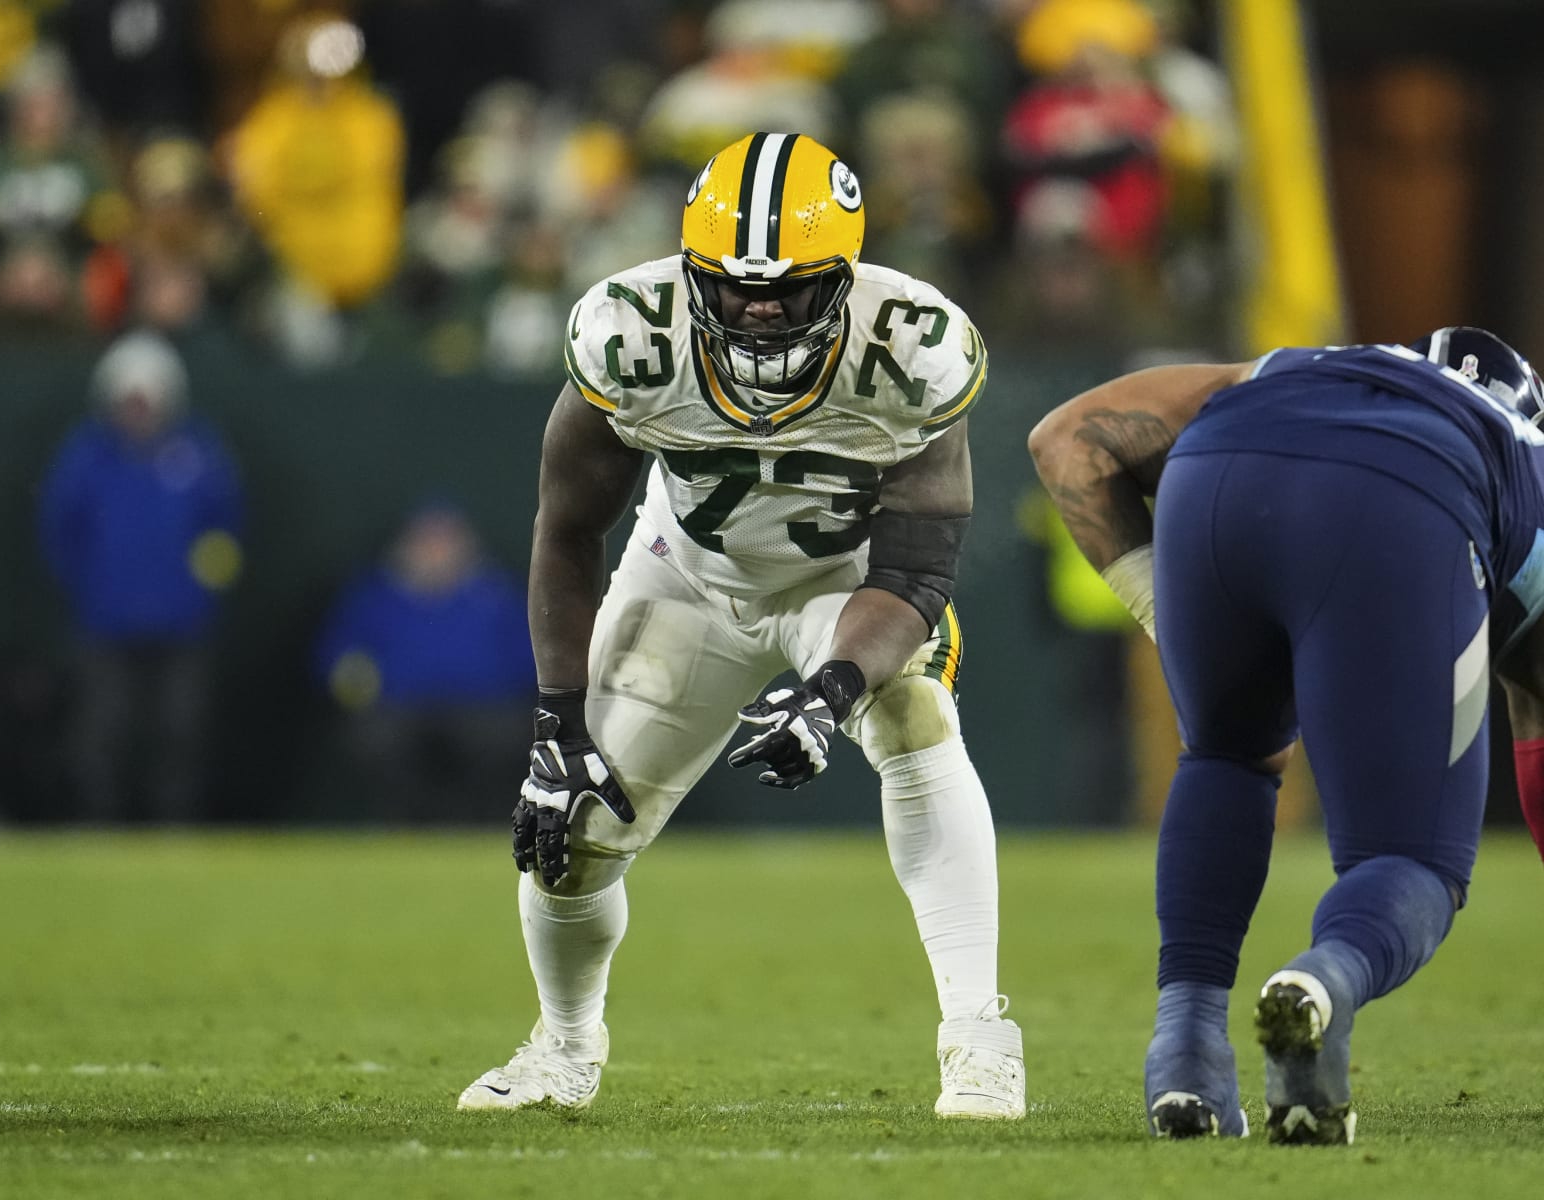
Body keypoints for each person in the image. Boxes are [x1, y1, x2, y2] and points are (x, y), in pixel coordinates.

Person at [458, 131, 1024, 1119]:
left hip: (848, 585)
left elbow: (917, 569)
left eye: (789, 287)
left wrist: (830, 691)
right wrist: (556, 719)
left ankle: (980, 1039)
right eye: (732, 284)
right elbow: (568, 529)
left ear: (842, 277)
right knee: (571, 824)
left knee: (913, 719)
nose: (759, 308)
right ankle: (563, 1045)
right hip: (685, 578)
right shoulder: (632, 334)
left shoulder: (913, 346)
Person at [1027, 327, 1544, 1145]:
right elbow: (1534, 702)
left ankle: (1186, 1054)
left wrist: (1165, 610)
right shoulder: (1522, 452)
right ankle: (1319, 984)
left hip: (1215, 475)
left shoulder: (1302, 365)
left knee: (1227, 755)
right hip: (1404, 497)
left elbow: (1065, 442)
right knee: (1414, 858)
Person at [39, 330, 244, 823]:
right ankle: (99, 828)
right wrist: (89, 586)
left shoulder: (198, 451)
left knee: (181, 730)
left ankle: (176, 829)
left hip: (183, 623)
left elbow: (226, 524)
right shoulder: (85, 454)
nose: (138, 409)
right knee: (101, 730)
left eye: (147, 399)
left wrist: (202, 587)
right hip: (104, 622)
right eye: (129, 399)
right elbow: (59, 529)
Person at [313, 501, 535, 822]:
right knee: (380, 738)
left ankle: (480, 825)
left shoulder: (496, 595)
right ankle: (401, 824)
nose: (436, 552)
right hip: (397, 710)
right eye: (426, 542)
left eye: (445, 542)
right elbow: (334, 658)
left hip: (482, 712)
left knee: (498, 737)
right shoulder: (374, 595)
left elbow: (530, 660)